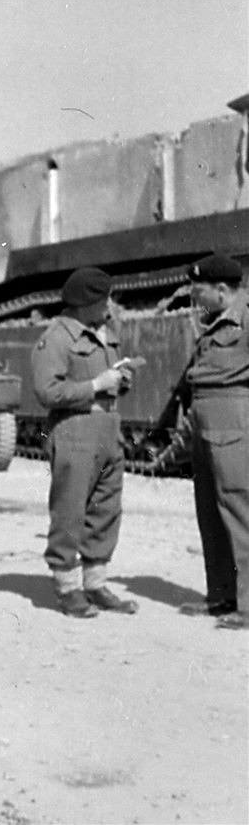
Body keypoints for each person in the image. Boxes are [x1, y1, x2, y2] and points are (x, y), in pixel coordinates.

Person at [29, 266, 139, 618]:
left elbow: (106, 379)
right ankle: (67, 587)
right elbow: (46, 391)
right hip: (74, 429)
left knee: (106, 510)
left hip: (108, 428)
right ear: (84, 303)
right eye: (103, 299)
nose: (109, 305)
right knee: (70, 510)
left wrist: (120, 380)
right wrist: (95, 386)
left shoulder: (105, 332)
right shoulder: (57, 338)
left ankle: (95, 583)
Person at [178, 254, 249, 630]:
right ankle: (221, 595)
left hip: (234, 419)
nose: (194, 298)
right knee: (210, 511)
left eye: (198, 291)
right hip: (206, 418)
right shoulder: (214, 320)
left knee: (240, 510)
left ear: (221, 290)